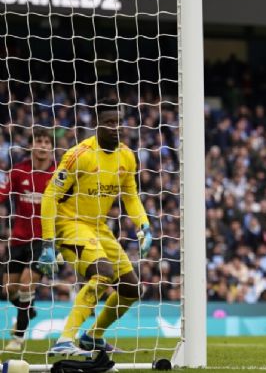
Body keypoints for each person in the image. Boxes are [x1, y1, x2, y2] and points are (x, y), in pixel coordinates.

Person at [38, 99, 153, 356]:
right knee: (103, 272)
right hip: (70, 224)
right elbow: (49, 196)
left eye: (119, 123)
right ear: (97, 125)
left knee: (131, 288)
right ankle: (65, 340)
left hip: (98, 227)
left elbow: (131, 196)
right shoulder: (78, 155)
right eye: (109, 123)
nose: (116, 128)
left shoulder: (127, 156)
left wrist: (144, 225)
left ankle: (93, 337)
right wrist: (48, 242)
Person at [0, 127, 55, 351]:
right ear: (31, 146)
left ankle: (19, 337)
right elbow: (2, 195)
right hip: (18, 239)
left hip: (44, 240)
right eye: (38, 141)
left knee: (26, 284)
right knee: (9, 290)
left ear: (52, 148)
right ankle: (28, 309)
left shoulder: (57, 175)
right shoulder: (18, 172)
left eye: (46, 142)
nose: (42, 146)